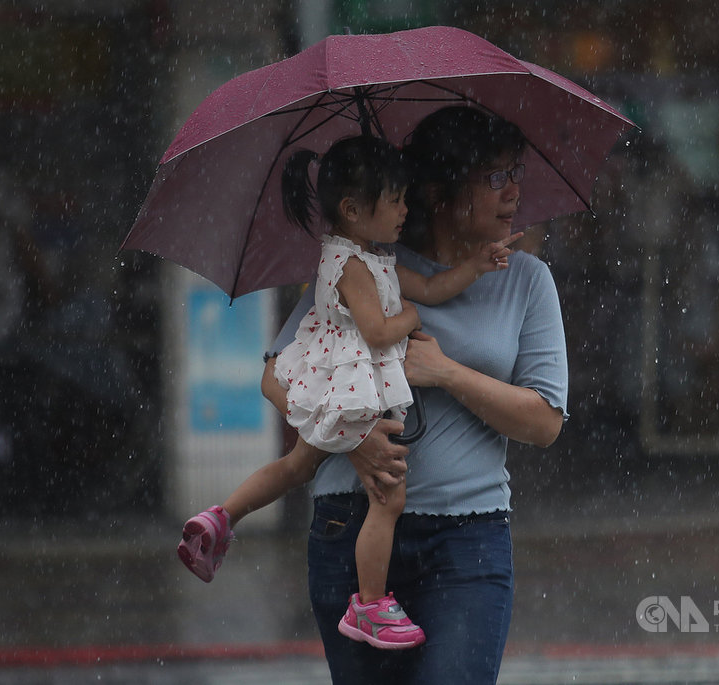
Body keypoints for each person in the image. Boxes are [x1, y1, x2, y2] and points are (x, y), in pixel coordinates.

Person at [177, 135, 520, 650]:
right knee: (389, 496)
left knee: (297, 466)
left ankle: (223, 516)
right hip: (350, 393)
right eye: (396, 200)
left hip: (335, 388)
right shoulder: (351, 267)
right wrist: (410, 318)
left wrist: (476, 266)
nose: (407, 210)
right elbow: (381, 331)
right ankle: (369, 604)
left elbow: (431, 285)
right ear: (354, 210)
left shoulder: (372, 257)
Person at [262, 107, 568, 683]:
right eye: (494, 177)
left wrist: (447, 372)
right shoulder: (361, 265)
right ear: (438, 191)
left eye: (516, 173)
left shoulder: (526, 280)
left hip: (466, 539)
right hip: (350, 528)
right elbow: (278, 377)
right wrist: (349, 438)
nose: (514, 191)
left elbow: (544, 421)